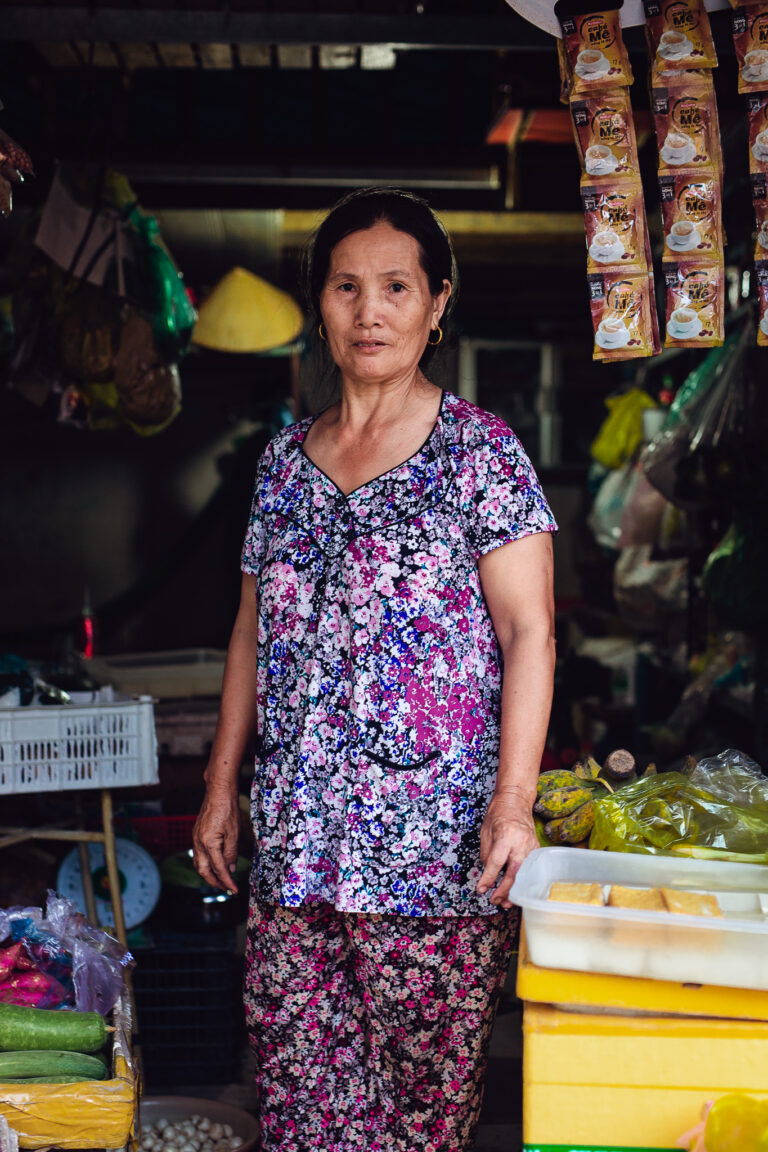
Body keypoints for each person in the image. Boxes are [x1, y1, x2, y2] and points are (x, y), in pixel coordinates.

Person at [193, 187, 557, 1152]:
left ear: (438, 304)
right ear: (320, 304)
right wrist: (222, 786)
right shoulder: (280, 464)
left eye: (397, 286)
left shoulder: (480, 454)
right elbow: (247, 633)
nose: (371, 310)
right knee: (305, 1114)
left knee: (422, 1122)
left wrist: (513, 802)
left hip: (434, 855)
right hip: (297, 847)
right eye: (347, 286)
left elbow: (531, 633)